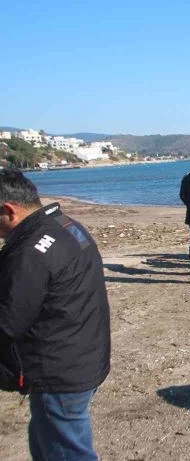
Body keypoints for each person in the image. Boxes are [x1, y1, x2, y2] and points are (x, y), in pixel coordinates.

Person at [0, 169, 111, 460]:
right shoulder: (67, 225)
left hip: (58, 369)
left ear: (8, 210)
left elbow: (7, 322)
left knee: (67, 450)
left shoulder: (30, 251)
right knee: (48, 443)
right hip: (83, 354)